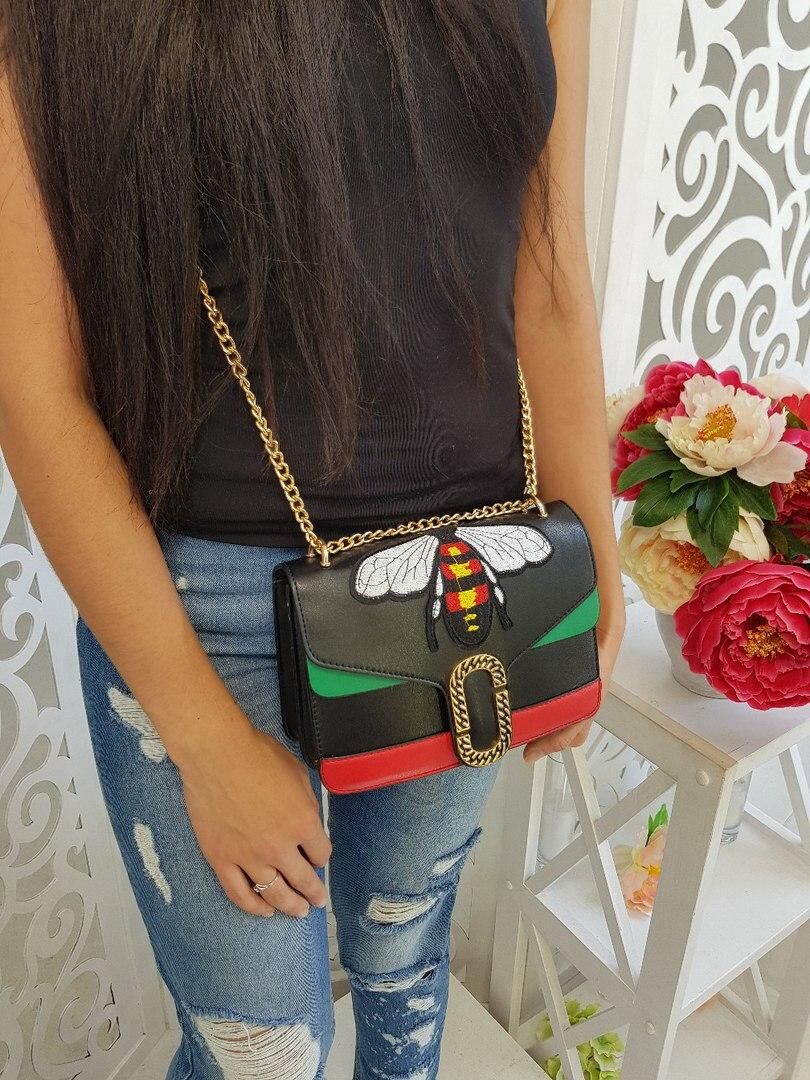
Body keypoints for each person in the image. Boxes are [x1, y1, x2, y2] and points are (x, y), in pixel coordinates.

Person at [0, 1, 624, 1076]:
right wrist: (203, 743)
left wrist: (591, 576)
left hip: (471, 583)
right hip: (204, 609)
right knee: (263, 1053)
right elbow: (34, 391)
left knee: (404, 961)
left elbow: (553, 284)